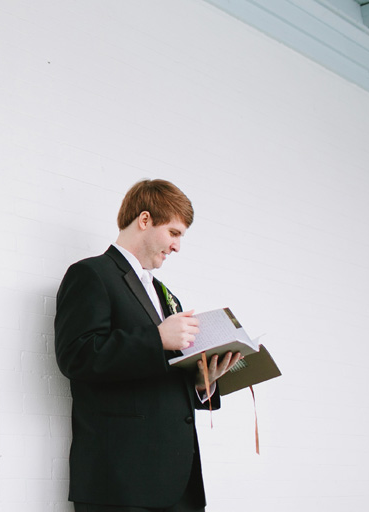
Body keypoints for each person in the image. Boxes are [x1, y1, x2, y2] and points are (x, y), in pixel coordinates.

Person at [54, 179, 241, 512]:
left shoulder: (167, 296)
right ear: (144, 220)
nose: (178, 247)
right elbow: (76, 356)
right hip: (121, 480)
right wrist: (157, 338)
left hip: (177, 483)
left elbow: (162, 374)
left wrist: (200, 385)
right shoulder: (91, 274)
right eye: (174, 233)